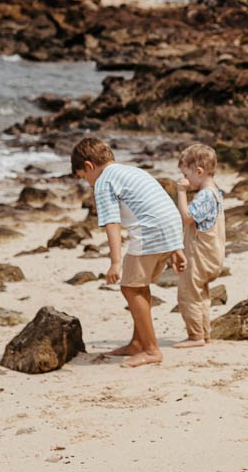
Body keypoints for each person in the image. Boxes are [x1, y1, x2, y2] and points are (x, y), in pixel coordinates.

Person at [71, 137, 186, 368]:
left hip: (150, 232)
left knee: (130, 287)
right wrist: (176, 247)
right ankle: (137, 343)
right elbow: (162, 203)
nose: (89, 184)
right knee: (139, 285)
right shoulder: (132, 172)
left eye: (85, 179)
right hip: (169, 227)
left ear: (89, 166)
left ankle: (152, 350)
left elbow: (112, 222)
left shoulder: (103, 182)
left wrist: (115, 262)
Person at [174, 143, 226, 348]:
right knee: (201, 293)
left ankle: (195, 335)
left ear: (199, 171)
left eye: (186, 174)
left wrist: (181, 192)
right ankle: (205, 334)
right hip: (213, 254)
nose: (185, 179)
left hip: (200, 255)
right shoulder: (216, 192)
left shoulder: (204, 195)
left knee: (188, 293)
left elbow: (187, 218)